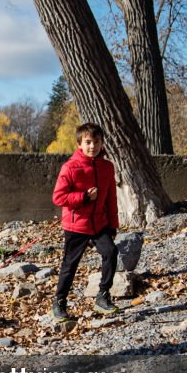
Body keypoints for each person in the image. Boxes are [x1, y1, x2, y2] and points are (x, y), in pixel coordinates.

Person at [50, 122, 120, 321]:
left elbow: (111, 198)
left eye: (96, 142)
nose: (92, 146)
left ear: (102, 143)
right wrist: (82, 197)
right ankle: (60, 302)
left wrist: (113, 224)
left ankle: (103, 296)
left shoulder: (107, 167)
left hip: (100, 223)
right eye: (88, 142)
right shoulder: (70, 167)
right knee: (70, 264)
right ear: (79, 144)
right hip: (76, 225)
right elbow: (58, 197)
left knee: (111, 252)